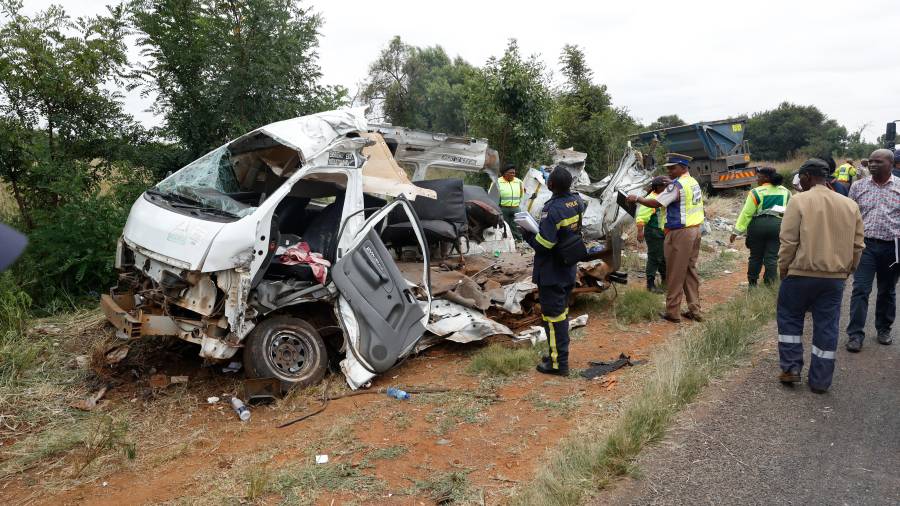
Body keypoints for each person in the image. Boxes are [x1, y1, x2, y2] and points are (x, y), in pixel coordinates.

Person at [776, 158, 864, 394]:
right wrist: (847, 270)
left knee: (790, 319)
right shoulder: (849, 205)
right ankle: (820, 381)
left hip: (800, 274)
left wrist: (783, 268)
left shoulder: (798, 201)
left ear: (806, 177)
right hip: (835, 279)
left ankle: (791, 369)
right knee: (827, 326)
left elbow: (788, 241)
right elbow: (858, 246)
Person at [627, 153, 705, 323]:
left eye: (672, 167)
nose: (669, 171)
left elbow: (656, 203)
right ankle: (695, 309)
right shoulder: (692, 182)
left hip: (680, 232)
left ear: (683, 167)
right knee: (690, 271)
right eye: (668, 168)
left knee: (675, 272)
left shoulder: (676, 186)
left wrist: (637, 198)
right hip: (695, 230)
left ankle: (673, 312)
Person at [521, 166, 583, 376]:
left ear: (550, 185)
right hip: (567, 267)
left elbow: (544, 244)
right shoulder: (576, 201)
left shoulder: (553, 209)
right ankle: (556, 354)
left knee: (554, 317)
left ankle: (558, 364)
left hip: (552, 271)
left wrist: (526, 234)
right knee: (561, 314)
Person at [844, 149, 900, 351]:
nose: (873, 164)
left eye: (879, 161)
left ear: (891, 164)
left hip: (892, 248)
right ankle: (855, 335)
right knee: (860, 290)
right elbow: (850, 218)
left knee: (887, 291)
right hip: (865, 246)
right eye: (871, 161)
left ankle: (884, 329)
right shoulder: (858, 187)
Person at [730, 167, 791, 286]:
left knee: (755, 256)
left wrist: (736, 231)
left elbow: (746, 213)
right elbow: (790, 211)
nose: (757, 180)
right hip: (777, 226)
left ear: (766, 178)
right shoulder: (786, 191)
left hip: (758, 226)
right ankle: (770, 285)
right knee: (772, 257)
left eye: (759, 177)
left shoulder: (756, 192)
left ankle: (752, 284)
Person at [635, 176, 669, 293]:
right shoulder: (651, 198)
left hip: (662, 232)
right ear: (659, 187)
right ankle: (650, 285)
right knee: (654, 257)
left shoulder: (662, 197)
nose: (667, 188)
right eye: (665, 186)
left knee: (663, 257)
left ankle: (666, 280)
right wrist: (640, 232)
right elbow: (641, 217)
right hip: (654, 232)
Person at [491, 164, 524, 241]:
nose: (512, 174)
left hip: (515, 208)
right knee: (503, 226)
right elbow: (492, 196)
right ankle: (505, 242)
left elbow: (522, 194)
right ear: (504, 173)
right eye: (510, 173)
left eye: (514, 173)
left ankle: (519, 241)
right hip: (502, 208)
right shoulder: (497, 182)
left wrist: (517, 204)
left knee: (517, 226)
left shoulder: (519, 182)